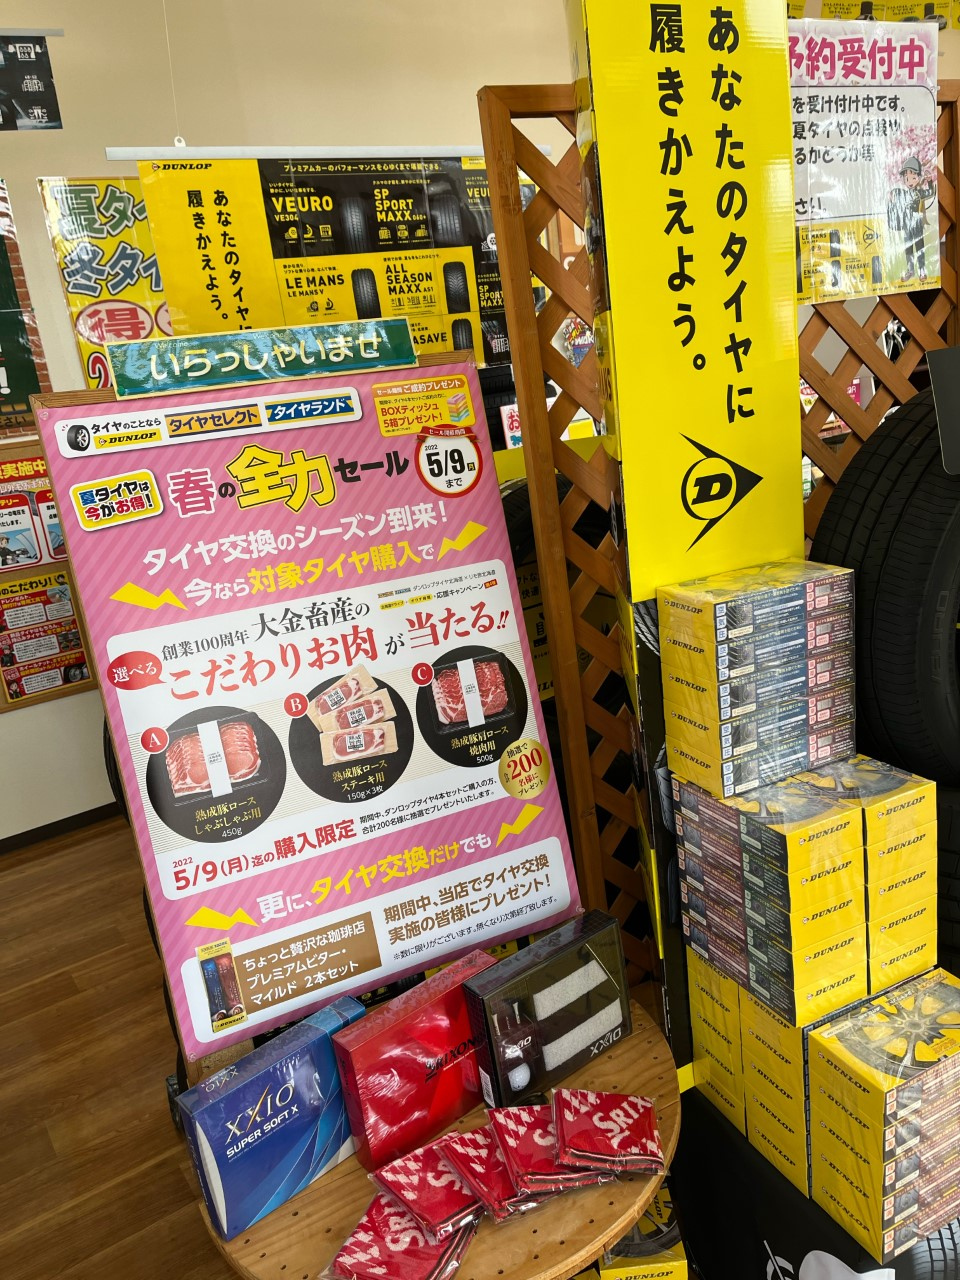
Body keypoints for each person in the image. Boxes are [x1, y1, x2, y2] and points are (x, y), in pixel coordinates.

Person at [887, 156, 937, 284]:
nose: (910, 181)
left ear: (918, 178)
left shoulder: (919, 193)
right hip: (906, 225)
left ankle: (922, 270)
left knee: (919, 247)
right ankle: (910, 270)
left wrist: (930, 182)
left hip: (917, 223)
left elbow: (931, 193)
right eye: (907, 178)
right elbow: (894, 194)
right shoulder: (902, 193)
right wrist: (891, 195)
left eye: (913, 178)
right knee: (908, 248)